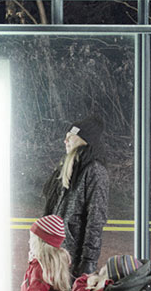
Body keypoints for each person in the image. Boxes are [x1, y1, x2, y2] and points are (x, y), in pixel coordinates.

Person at [42, 115, 109, 277]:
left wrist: (89, 261)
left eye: (70, 138)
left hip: (74, 259)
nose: (65, 142)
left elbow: (96, 218)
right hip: (56, 254)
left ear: (83, 141)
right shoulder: (65, 168)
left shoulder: (95, 171)